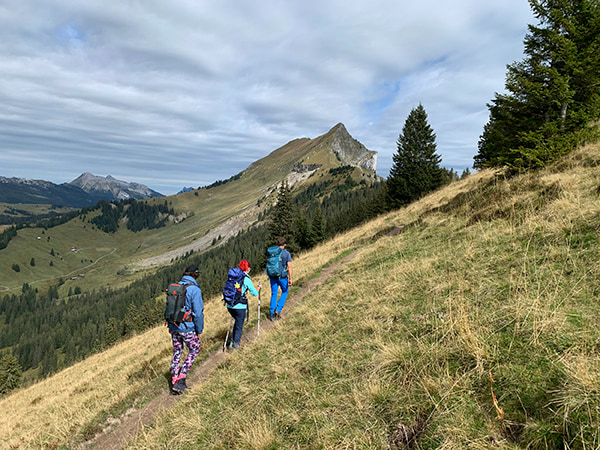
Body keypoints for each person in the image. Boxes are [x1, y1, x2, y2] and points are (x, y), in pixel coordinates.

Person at [168, 264, 204, 394]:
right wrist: (199, 330)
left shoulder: (176, 287)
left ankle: (174, 380)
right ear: (196, 274)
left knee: (177, 351)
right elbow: (198, 313)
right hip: (187, 327)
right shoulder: (194, 290)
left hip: (173, 326)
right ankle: (181, 379)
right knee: (194, 349)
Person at [226, 259, 261, 350]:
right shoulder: (246, 279)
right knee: (239, 325)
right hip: (240, 306)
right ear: (247, 269)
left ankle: (231, 344)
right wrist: (258, 288)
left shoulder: (233, 277)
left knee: (237, 323)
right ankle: (235, 346)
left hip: (230, 305)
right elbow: (254, 293)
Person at [268, 237, 292, 320]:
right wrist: (290, 278)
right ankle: (278, 309)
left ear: (277, 244)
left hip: (272, 277)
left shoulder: (272, 253)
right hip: (282, 277)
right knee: (285, 291)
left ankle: (272, 314)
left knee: (274, 294)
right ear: (284, 244)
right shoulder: (286, 253)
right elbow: (289, 267)